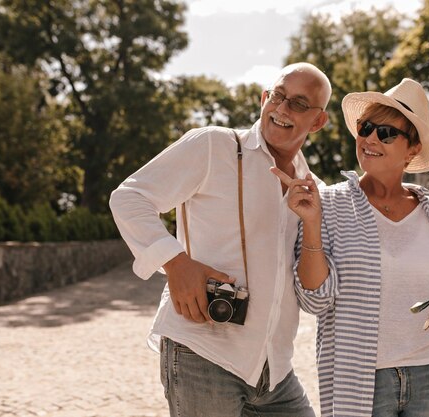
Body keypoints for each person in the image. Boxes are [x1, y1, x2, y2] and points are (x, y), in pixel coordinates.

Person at [272, 78, 429, 417]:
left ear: (412, 150)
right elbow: (315, 299)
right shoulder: (329, 204)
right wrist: (311, 224)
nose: (370, 139)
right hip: (361, 379)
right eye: (366, 128)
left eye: (386, 133)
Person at [109, 62, 332, 417]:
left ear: (318, 121)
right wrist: (176, 262)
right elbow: (129, 197)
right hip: (202, 353)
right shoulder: (214, 145)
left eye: (299, 104)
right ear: (264, 98)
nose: (282, 109)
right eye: (277, 96)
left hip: (274, 369)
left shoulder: (315, 191)